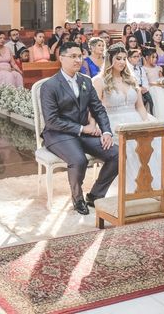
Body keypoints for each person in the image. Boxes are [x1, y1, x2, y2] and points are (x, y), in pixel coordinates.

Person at [40, 42, 118, 215]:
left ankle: (95, 195)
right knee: (79, 159)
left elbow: (98, 108)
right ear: (61, 58)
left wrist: (106, 131)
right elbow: (51, 120)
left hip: (84, 133)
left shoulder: (85, 81)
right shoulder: (50, 86)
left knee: (117, 153)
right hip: (58, 134)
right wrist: (83, 129)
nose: (78, 60)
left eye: (80, 56)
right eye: (73, 56)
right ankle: (77, 198)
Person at [93, 44, 160, 191]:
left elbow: (140, 106)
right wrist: (99, 127)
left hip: (135, 118)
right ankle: (131, 189)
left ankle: (151, 185)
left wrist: (145, 122)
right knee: (129, 147)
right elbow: (96, 108)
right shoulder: (99, 81)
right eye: (118, 59)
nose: (122, 62)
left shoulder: (131, 79)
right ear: (110, 60)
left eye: (124, 59)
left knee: (153, 140)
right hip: (113, 121)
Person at [127, 48, 154, 114]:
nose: (137, 58)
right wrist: (138, 88)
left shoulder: (140, 69)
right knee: (139, 101)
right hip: (132, 88)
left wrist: (145, 88)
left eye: (138, 56)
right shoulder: (126, 69)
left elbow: (145, 80)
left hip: (143, 89)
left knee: (151, 101)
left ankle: (150, 115)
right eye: (134, 57)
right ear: (129, 58)